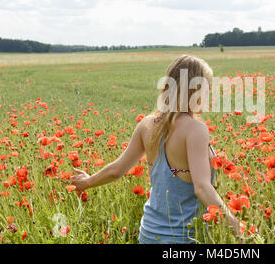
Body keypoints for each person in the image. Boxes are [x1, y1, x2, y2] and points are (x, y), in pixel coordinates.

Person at [70, 54, 242, 244]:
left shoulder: (147, 124)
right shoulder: (196, 129)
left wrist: (87, 182)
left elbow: (116, 170)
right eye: (207, 88)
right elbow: (201, 188)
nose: (209, 95)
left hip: (149, 233)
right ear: (194, 90)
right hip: (181, 238)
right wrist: (237, 228)